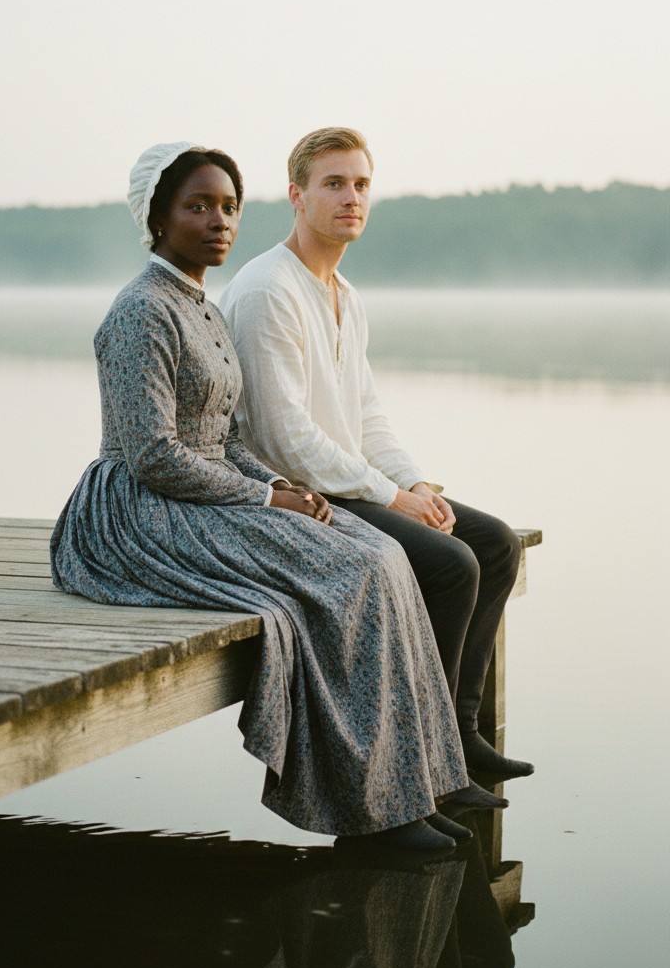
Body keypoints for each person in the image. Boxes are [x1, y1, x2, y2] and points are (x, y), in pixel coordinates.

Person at [51, 140, 474, 853]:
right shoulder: (140, 312)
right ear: (156, 219)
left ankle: (414, 781)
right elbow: (154, 457)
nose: (219, 220)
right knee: (350, 572)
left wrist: (280, 486)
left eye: (228, 207)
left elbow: (225, 434)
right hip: (141, 513)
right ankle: (369, 810)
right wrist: (262, 498)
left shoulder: (204, 307)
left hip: (207, 493)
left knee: (380, 551)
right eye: (198, 206)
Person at [220, 127, 534, 784]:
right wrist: (392, 498)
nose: (351, 197)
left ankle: (461, 738)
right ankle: (427, 763)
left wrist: (416, 483)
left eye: (361, 184)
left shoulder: (346, 295)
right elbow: (283, 439)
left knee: (497, 544)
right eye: (333, 183)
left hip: (347, 484)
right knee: (450, 566)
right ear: (296, 196)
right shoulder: (266, 291)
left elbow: (366, 418)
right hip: (293, 501)